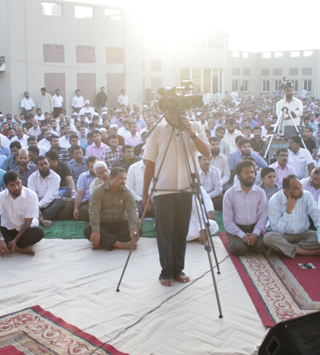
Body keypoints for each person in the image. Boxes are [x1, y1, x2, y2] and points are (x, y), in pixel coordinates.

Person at [143, 102, 210, 286]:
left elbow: (207, 151)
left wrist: (191, 133)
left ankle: (178, 269)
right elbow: (150, 163)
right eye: (172, 113)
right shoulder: (157, 130)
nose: (176, 117)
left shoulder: (195, 126)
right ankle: (166, 271)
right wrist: (145, 193)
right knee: (165, 232)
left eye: (180, 112)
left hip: (186, 188)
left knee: (181, 231)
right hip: (163, 189)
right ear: (165, 112)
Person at [265, 175, 320, 258]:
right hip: (284, 235)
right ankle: (305, 252)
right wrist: (288, 211)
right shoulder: (274, 201)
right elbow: (277, 229)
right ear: (287, 191)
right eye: (297, 188)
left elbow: (318, 217)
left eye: (301, 187)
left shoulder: (306, 195)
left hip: (303, 234)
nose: (301, 191)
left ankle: (286, 248)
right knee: (268, 238)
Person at [0, 170, 44, 256]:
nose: (16, 187)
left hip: (25, 230)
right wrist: (0, 239)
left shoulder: (31, 195)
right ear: (6, 186)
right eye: (12, 185)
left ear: (21, 181)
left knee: (39, 232)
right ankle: (19, 249)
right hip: (8, 230)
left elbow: (28, 222)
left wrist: (15, 240)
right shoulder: (0, 196)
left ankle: (8, 245)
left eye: (18, 183)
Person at [84, 167, 138, 250]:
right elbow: (93, 212)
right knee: (88, 230)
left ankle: (104, 243)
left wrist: (133, 230)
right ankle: (121, 245)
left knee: (137, 228)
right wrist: (96, 231)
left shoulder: (127, 192)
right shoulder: (98, 191)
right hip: (103, 225)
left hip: (120, 224)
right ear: (111, 178)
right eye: (120, 178)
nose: (123, 181)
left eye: (124, 179)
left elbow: (132, 211)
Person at [223, 161, 269, 256]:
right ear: (239, 176)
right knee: (239, 249)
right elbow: (228, 221)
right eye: (246, 173)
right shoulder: (229, 194)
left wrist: (255, 234)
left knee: (262, 247)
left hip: (254, 227)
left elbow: (263, 216)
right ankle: (232, 239)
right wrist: (242, 236)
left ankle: (249, 242)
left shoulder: (260, 192)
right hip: (237, 228)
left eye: (252, 172)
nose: (250, 175)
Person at [27, 155, 66, 227]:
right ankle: (41, 218)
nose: (44, 166)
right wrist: (36, 206)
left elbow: (50, 196)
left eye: (45, 163)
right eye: (41, 165)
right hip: (36, 203)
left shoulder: (56, 177)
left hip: (50, 203)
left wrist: (37, 207)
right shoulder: (32, 177)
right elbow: (32, 195)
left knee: (61, 201)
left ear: (49, 164)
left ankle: (38, 217)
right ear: (37, 167)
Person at [73, 156, 98, 221]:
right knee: (83, 213)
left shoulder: (107, 173)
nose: (95, 169)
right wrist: (76, 208)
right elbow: (79, 194)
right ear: (88, 168)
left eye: (96, 166)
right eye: (92, 167)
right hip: (88, 201)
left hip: (103, 201)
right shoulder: (83, 176)